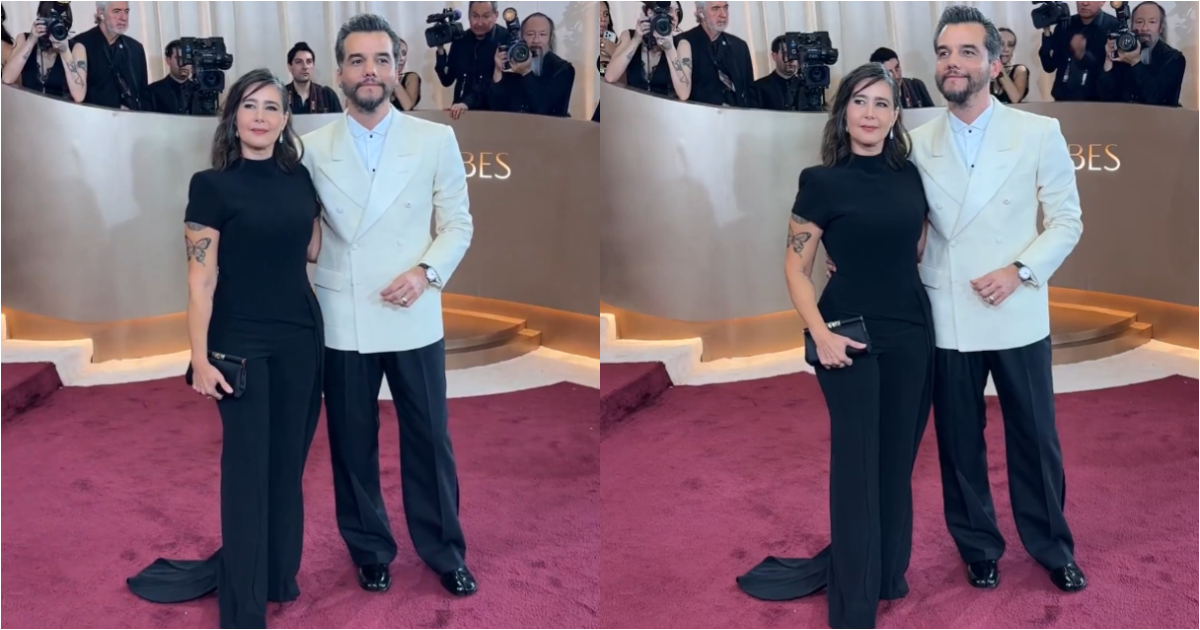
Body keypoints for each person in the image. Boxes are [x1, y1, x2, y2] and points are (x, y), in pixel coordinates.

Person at [826, 5, 1087, 596]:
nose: (953, 63)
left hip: (1016, 308)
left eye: (967, 52)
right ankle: (978, 547)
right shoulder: (913, 142)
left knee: (1035, 440)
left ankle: (1051, 546)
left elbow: (1067, 222)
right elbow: (886, 214)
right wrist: (850, 251)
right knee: (959, 443)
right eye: (944, 52)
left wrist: (1020, 270)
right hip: (945, 316)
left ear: (994, 64)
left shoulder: (1037, 131)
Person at [736, 62, 934, 630]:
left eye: (881, 103)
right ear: (842, 111)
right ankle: (853, 604)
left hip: (913, 331)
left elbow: (916, 250)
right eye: (860, 101)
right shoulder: (820, 181)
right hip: (846, 333)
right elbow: (795, 267)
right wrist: (820, 334)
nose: (870, 113)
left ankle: (887, 572)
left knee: (897, 464)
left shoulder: (910, 177)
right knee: (857, 465)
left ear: (896, 116)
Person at [125, 68, 325, 629]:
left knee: (288, 467)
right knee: (246, 472)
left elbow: (311, 251)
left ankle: (278, 574)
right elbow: (200, 280)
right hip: (240, 345)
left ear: (286, 120)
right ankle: (243, 606)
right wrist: (198, 357)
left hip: (302, 339)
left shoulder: (300, 178)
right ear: (232, 117)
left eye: (271, 107)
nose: (260, 116)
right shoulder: (210, 186)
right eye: (249, 105)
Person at [300, 14, 477, 597]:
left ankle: (444, 549)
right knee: (352, 444)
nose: (369, 71)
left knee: (430, 440)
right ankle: (370, 548)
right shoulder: (308, 146)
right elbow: (303, 230)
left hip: (413, 311)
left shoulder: (435, 139)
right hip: (343, 315)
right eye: (357, 61)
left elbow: (457, 223)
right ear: (339, 72)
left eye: (380, 60)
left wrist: (426, 273)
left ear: (398, 67)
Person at [603, 1, 693, 101]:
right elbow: (610, 77)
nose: (674, 17)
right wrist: (636, 40)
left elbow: (684, 94)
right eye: (669, 10)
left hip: (666, 112)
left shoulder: (681, 45)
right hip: (631, 109)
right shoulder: (628, 36)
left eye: (677, 12)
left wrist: (670, 49)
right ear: (650, 13)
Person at [1, 1, 88, 102]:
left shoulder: (76, 48)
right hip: (28, 111)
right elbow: (7, 78)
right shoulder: (24, 39)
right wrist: (31, 40)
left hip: (62, 113)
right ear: (40, 18)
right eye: (50, 21)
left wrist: (65, 52)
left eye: (60, 23)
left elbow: (79, 96)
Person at [992, 27, 1030, 103]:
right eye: (1001, 44)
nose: (1006, 49)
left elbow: (1015, 99)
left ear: (1013, 49)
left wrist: (999, 68)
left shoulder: (1020, 70)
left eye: (1010, 45)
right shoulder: (985, 70)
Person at [390, 37, 421, 111]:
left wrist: (393, 76)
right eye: (397, 53)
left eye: (404, 53)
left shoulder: (411, 77)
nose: (402, 58)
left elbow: (407, 106)